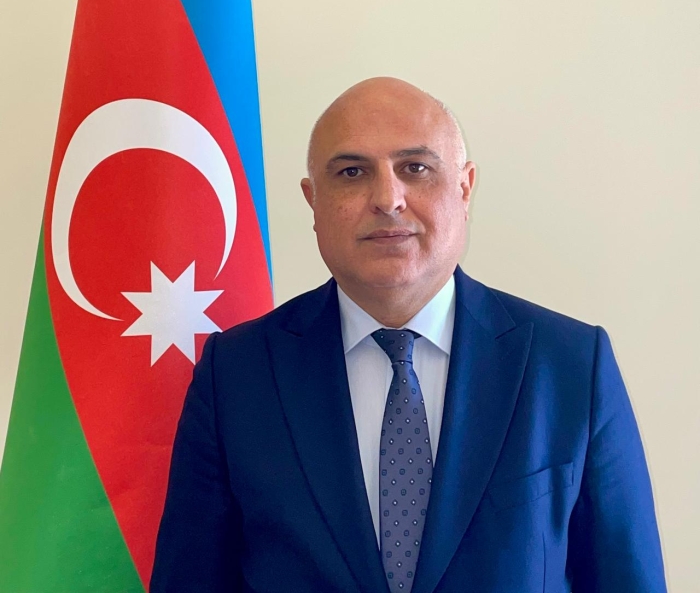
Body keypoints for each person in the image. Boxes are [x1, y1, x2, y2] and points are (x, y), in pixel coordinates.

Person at [151, 77, 666, 592]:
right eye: (352, 172)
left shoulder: (572, 365)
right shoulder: (236, 374)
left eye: (415, 168)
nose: (387, 198)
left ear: (464, 187)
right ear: (313, 201)